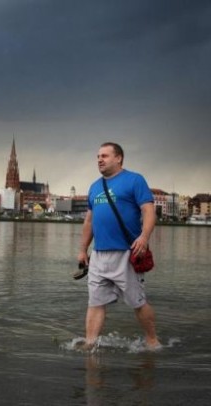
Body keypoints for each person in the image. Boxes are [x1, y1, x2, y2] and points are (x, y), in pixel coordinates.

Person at [77, 142, 160, 350]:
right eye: (97, 156)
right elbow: (89, 221)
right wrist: (82, 250)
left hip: (127, 253)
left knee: (137, 302)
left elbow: (149, 211)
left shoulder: (134, 180)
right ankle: (90, 344)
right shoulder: (95, 187)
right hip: (98, 255)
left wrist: (144, 237)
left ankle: (152, 341)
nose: (99, 160)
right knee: (95, 303)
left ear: (119, 158)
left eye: (104, 156)